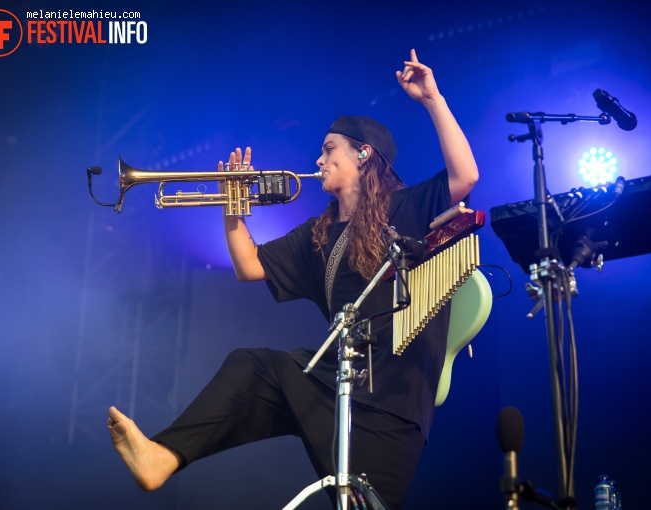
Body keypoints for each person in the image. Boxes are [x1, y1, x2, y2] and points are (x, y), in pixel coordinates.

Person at [108, 48, 479, 509]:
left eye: (328, 150)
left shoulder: (404, 208)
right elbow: (249, 265)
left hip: (391, 401)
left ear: (364, 154)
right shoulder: (320, 232)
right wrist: (232, 205)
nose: (319, 161)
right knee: (253, 366)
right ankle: (162, 456)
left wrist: (432, 99)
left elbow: (465, 175)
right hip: (333, 380)